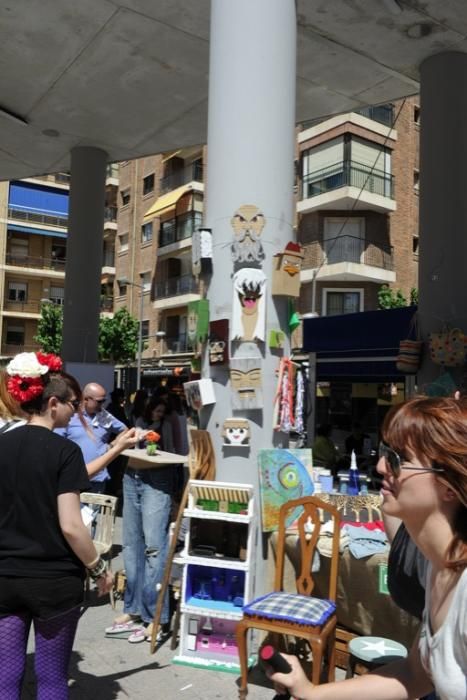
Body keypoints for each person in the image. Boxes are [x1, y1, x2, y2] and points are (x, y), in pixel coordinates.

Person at [268, 396, 467, 700]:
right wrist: (312, 692)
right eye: (388, 453)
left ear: (450, 485)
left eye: (399, 459)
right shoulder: (436, 566)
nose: (380, 466)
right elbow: (415, 674)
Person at [0, 351, 113, 699]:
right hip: (53, 582)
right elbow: (71, 525)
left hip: (5, 577)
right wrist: (98, 567)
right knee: (50, 679)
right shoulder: (65, 452)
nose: (76, 410)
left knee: (5, 677)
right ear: (53, 403)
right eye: (73, 403)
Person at [106, 397, 176, 643]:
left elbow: (181, 452)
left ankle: (155, 616)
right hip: (132, 474)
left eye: (163, 408)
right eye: (157, 407)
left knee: (154, 548)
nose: (159, 411)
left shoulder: (171, 424)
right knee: (131, 544)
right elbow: (115, 442)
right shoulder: (138, 423)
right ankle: (133, 610)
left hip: (158, 478)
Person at [56, 382, 128, 494]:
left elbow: (124, 430)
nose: (102, 405)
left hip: (97, 480)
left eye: (104, 401)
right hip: (73, 479)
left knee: (94, 511)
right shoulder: (71, 415)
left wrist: (111, 446)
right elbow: (56, 442)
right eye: (99, 401)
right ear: (85, 399)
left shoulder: (103, 415)